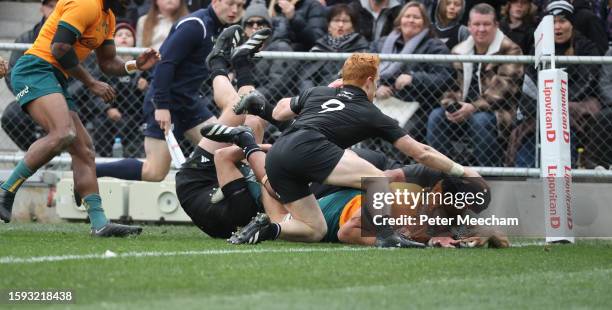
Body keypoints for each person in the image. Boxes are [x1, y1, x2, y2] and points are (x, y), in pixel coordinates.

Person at [204, 52, 472, 247]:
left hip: (280, 152)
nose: (376, 86)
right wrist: (458, 169)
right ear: (369, 81)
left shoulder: (319, 92)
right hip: (309, 148)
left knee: (314, 230)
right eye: (376, 81)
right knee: (377, 179)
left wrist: (321, 93)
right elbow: (420, 152)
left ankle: (268, 229)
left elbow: (279, 110)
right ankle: (388, 237)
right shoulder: (371, 112)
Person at [0, 0, 159, 237]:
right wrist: (91, 83)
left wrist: (135, 64)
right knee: (64, 133)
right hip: (35, 69)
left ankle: (99, 223)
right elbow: (60, 48)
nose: (132, 3)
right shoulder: (86, 4)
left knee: (85, 150)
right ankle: (6, 190)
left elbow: (107, 63)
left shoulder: (109, 18)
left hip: (55, 76)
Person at [95, 0, 270, 183]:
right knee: (154, 172)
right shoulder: (195, 25)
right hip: (164, 101)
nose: (234, 10)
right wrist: (161, 106)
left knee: (226, 149)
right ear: (216, 1)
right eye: (230, 3)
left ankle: (218, 195)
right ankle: (94, 170)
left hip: (190, 103)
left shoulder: (222, 28)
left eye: (240, 6)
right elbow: (164, 63)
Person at [426, 3, 523, 167]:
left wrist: (472, 107)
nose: (481, 29)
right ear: (469, 26)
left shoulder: (510, 49)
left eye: (486, 24)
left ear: (496, 26)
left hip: (500, 114)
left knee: (480, 121)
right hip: (464, 110)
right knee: (436, 116)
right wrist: (451, 106)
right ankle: (444, 171)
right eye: (477, 24)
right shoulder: (459, 50)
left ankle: (489, 173)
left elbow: (502, 92)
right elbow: (450, 85)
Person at [507, 0, 601, 167]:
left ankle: (565, 164)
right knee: (529, 134)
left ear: (571, 24)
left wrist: (557, 102)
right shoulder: (539, 48)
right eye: (553, 22)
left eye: (562, 21)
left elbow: (587, 81)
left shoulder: (586, 47)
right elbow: (530, 81)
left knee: (566, 115)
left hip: (573, 107)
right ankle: (527, 168)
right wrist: (547, 102)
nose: (557, 27)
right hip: (542, 106)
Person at [373, 1, 454, 142]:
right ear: (400, 20)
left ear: (424, 23)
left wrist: (414, 78)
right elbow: (365, 71)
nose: (411, 20)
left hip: (419, 107)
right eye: (407, 16)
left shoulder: (435, 47)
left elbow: (445, 78)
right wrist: (377, 87)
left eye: (416, 17)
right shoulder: (381, 43)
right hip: (382, 102)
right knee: (365, 129)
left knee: (397, 136)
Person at [298, 4, 370, 90]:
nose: (340, 25)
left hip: (349, 97)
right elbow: (305, 78)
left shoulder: (361, 48)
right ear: (328, 26)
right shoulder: (319, 48)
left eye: (345, 21)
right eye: (336, 20)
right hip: (318, 97)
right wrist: (311, 96)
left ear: (353, 27)